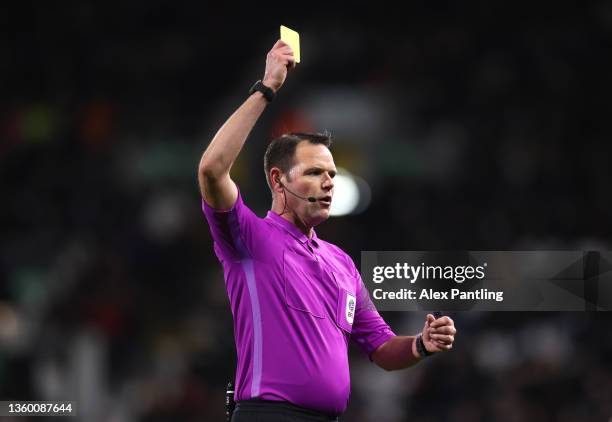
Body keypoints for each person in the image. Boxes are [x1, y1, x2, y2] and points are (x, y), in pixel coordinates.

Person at [198, 39, 457, 422]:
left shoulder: (342, 264)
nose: (328, 183)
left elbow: (382, 347)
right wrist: (266, 89)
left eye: (332, 175)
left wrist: (421, 344)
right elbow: (212, 169)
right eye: (314, 173)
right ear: (277, 179)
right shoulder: (248, 238)